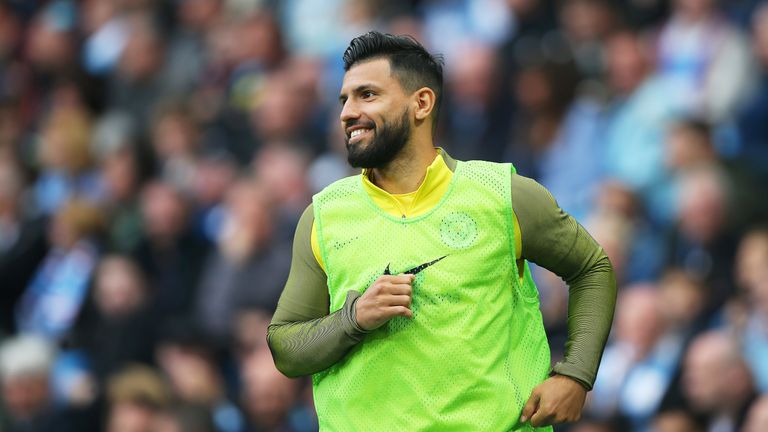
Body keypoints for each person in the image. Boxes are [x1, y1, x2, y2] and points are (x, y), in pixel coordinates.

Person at [267, 31, 617, 431]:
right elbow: (286, 348)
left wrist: (576, 375)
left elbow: (592, 267)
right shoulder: (323, 216)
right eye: (344, 99)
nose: (347, 112)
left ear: (421, 103)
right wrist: (354, 317)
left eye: (367, 95)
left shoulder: (502, 195)